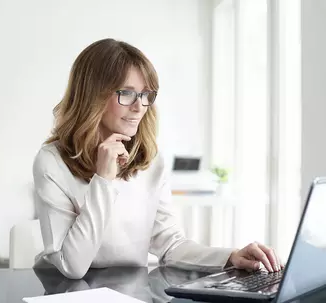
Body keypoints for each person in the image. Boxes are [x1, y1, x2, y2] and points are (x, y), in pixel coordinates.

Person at [33, 38, 283, 279]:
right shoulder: (52, 161)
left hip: (128, 291)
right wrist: (103, 180)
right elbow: (72, 266)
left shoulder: (150, 160)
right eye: (127, 93)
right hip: (63, 290)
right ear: (92, 96)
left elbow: (171, 244)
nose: (139, 106)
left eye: (145, 95)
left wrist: (230, 256)